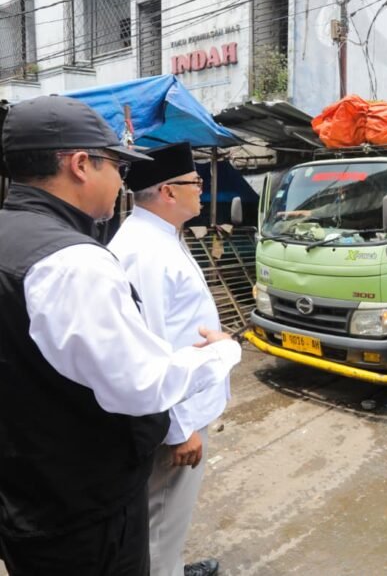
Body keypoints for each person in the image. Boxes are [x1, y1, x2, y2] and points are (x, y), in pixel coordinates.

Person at [0, 96, 241, 576]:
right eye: (116, 165)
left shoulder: (18, 236)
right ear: (81, 164)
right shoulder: (72, 261)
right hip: (83, 509)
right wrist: (224, 354)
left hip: (31, 491)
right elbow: (141, 382)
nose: (121, 181)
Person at [109, 143, 225, 576]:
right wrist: (179, 429)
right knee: (159, 523)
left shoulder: (159, 236)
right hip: (175, 420)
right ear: (168, 192)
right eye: (195, 181)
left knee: (167, 522)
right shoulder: (144, 251)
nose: (203, 188)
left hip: (185, 409)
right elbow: (147, 348)